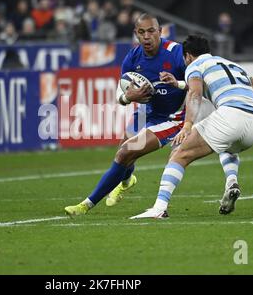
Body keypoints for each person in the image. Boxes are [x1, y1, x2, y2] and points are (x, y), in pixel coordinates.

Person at [130, 35, 253, 219]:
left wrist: (187, 126)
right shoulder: (233, 65)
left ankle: (159, 208)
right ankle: (231, 182)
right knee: (226, 144)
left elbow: (195, 93)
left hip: (230, 116)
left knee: (179, 153)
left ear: (188, 56)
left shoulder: (194, 66)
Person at [64, 13, 188, 216]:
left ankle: (86, 205)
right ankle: (128, 180)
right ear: (135, 34)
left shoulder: (176, 53)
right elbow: (119, 95)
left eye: (151, 31)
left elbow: (195, 81)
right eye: (141, 32)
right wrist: (129, 96)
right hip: (145, 112)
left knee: (125, 153)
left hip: (172, 117)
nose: (147, 36)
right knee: (124, 151)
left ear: (160, 31)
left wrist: (178, 83)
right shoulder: (133, 57)